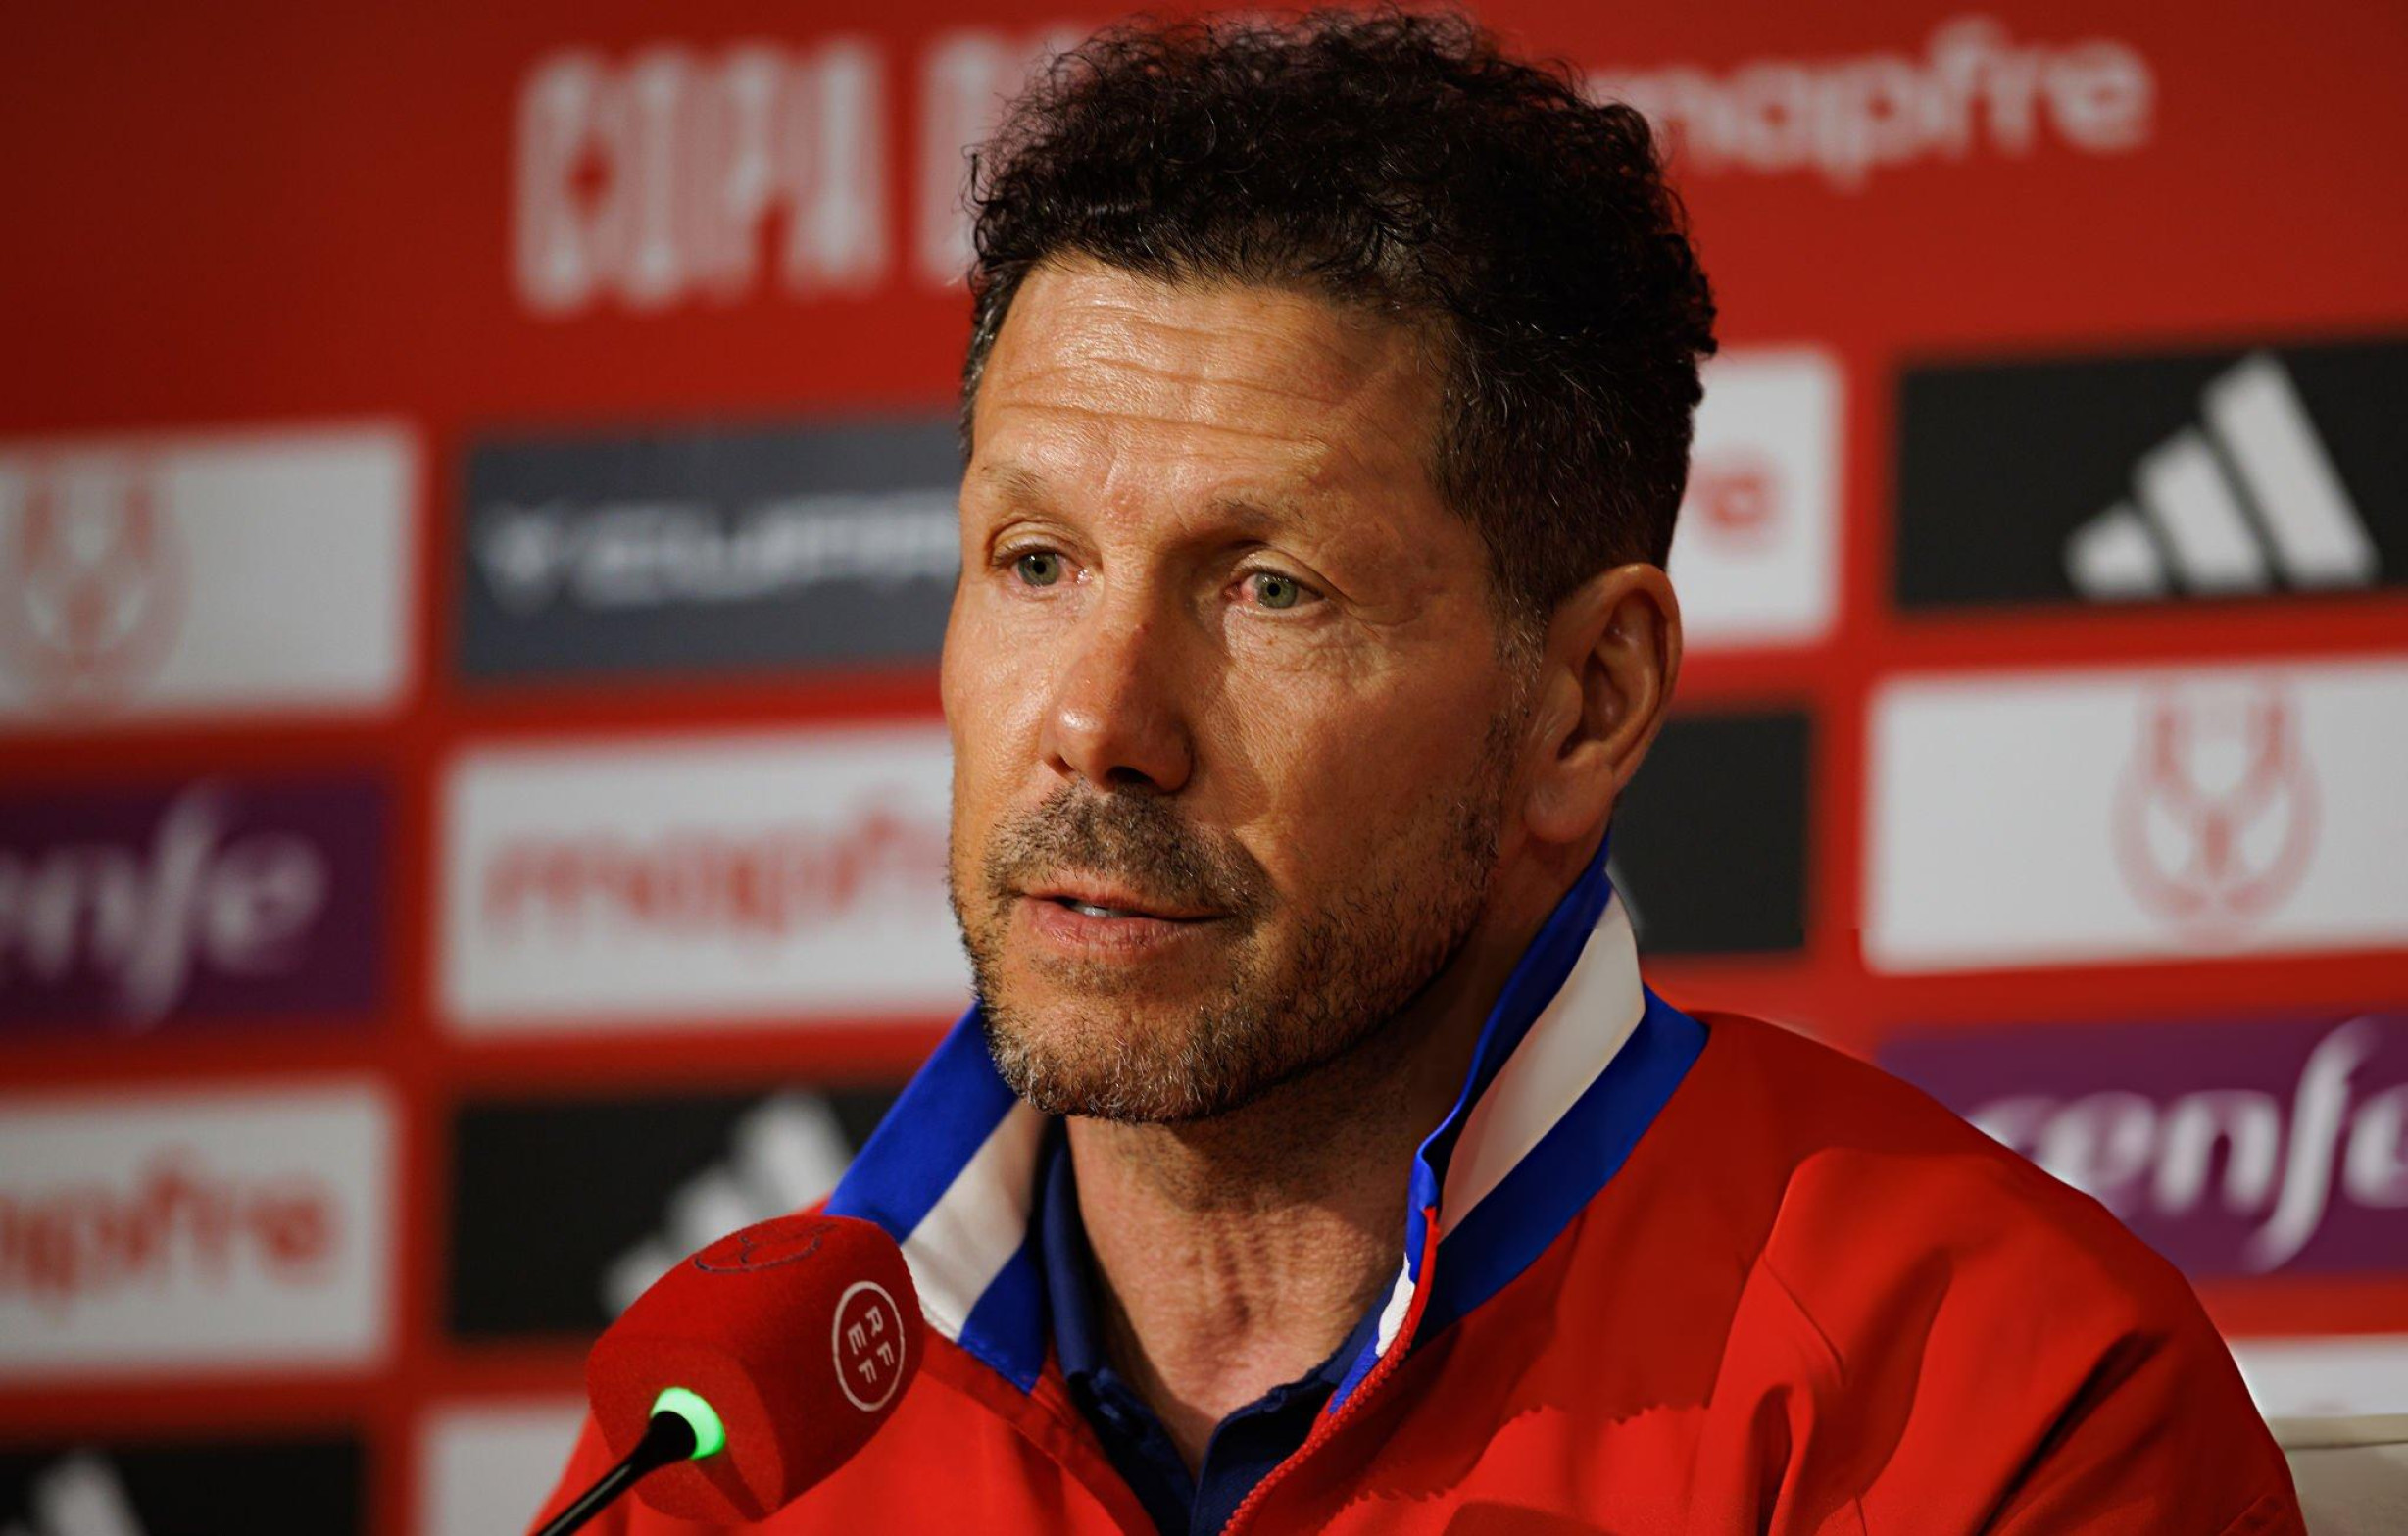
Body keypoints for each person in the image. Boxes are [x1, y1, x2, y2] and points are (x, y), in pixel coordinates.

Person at [536, 11, 2303, 1532]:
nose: (1096, 723)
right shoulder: (735, 1433)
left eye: (1269, 589)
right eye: (1036, 561)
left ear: (1587, 702)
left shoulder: (1989, 1392)